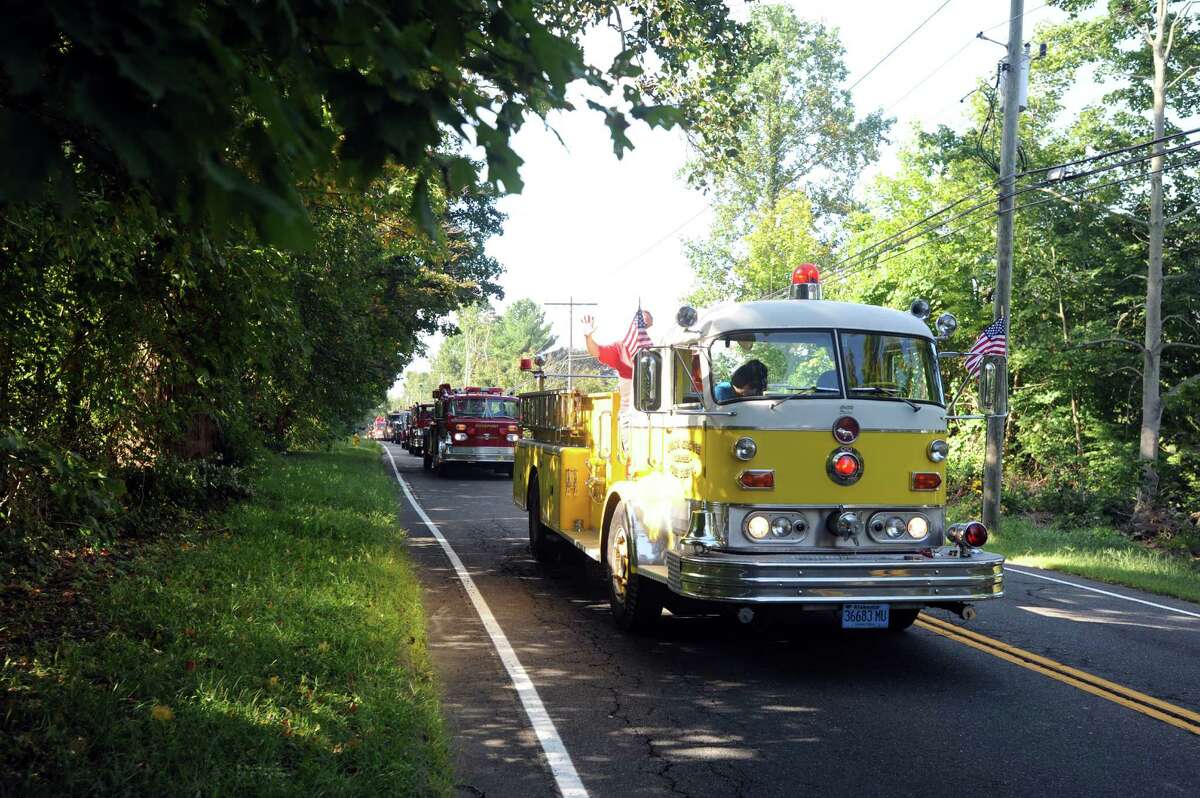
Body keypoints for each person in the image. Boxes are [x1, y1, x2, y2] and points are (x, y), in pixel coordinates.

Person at [581, 310, 654, 409]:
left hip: (654, 412)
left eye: (646, 326)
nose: (642, 329)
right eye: (640, 324)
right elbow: (595, 351)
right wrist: (588, 337)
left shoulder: (657, 353)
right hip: (629, 414)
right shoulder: (619, 349)